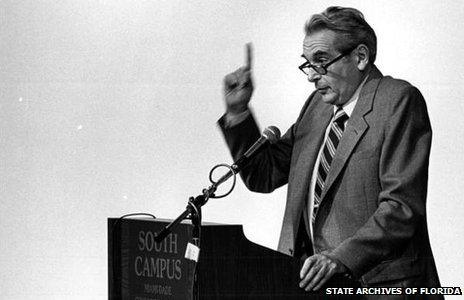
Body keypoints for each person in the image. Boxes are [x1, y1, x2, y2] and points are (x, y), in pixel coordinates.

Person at [218, 6, 442, 297]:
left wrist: (340, 258)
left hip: (381, 287)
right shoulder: (317, 108)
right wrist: (238, 113)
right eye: (307, 63)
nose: (311, 75)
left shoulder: (398, 100)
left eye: (321, 62)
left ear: (360, 57)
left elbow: (401, 208)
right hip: (312, 285)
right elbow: (264, 174)